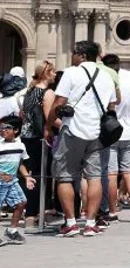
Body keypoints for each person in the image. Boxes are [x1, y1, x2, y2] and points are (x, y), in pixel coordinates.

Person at [46, 40, 117, 237]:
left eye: (74, 53)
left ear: (82, 55)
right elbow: (112, 105)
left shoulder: (71, 72)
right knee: (94, 177)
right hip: (97, 132)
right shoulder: (107, 76)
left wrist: (48, 125)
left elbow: (59, 102)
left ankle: (70, 222)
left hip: (73, 130)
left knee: (65, 176)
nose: (72, 56)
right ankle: (91, 222)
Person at [101, 54, 130, 224]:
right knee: (128, 172)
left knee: (111, 173)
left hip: (111, 131)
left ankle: (112, 210)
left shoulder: (106, 81)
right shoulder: (129, 81)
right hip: (129, 131)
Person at [18, 61, 53, 220]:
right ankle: (36, 211)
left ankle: (28, 211)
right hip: (40, 138)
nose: (54, 75)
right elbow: (49, 118)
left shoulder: (29, 91)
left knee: (29, 174)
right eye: (52, 72)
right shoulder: (47, 93)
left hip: (26, 137)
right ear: (46, 74)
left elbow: (22, 114)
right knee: (41, 175)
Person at [0, 115, 34, 245]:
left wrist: (27, 177)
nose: (2, 130)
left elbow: (21, 164)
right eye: (1, 128)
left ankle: (12, 230)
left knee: (21, 202)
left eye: (6, 128)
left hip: (12, 181)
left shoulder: (21, 146)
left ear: (16, 130)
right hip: (1, 181)